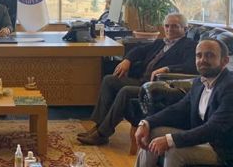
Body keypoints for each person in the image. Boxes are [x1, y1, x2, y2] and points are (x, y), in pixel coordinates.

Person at [134, 38, 233, 167]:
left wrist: (169, 140)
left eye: (209, 55)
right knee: (152, 133)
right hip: (206, 140)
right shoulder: (199, 82)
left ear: (225, 61)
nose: (202, 60)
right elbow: (177, 109)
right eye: (199, 55)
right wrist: (146, 123)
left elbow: (215, 128)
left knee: (175, 151)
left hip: (229, 151)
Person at [78, 13, 197, 145]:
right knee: (109, 80)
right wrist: (127, 60)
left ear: (185, 29)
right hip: (142, 81)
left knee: (126, 91)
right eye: (167, 26)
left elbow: (191, 66)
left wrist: (168, 69)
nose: (169, 29)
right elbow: (139, 50)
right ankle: (99, 126)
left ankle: (102, 134)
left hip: (158, 88)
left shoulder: (190, 46)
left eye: (174, 26)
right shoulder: (161, 42)